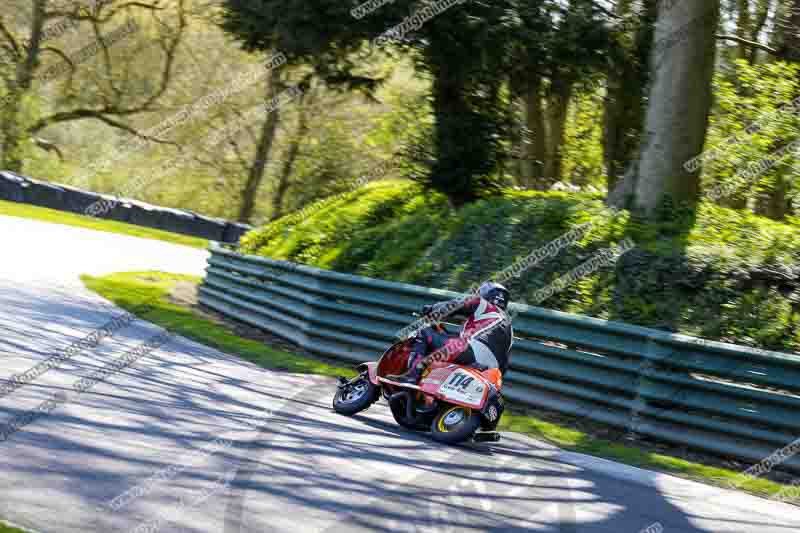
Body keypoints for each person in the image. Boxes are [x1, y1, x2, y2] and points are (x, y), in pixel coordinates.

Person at [385, 282, 513, 387]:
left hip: (469, 352)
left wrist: (431, 308)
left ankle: (411, 376)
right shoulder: (509, 327)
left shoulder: (482, 304)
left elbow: (454, 306)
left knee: (424, 332)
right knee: (447, 339)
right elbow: (505, 363)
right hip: (489, 369)